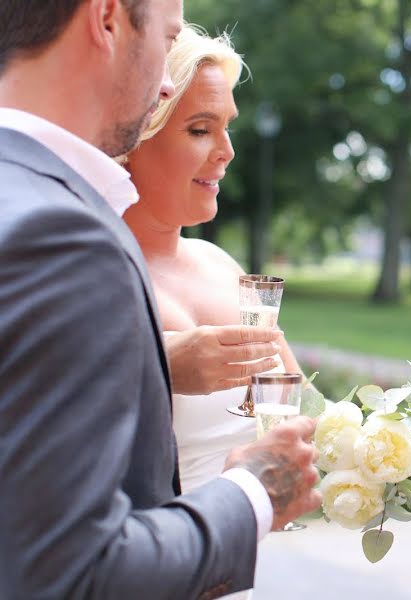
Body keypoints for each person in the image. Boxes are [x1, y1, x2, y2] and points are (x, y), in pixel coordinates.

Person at [0, 1, 320, 597]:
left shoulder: (217, 266)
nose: (163, 84)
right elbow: (67, 568)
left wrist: (398, 444)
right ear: (107, 19)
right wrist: (250, 493)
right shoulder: (64, 240)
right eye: (199, 128)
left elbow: (295, 410)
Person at [123, 25, 305, 493]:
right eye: (201, 129)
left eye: (227, 127)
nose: (227, 152)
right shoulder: (95, 268)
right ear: (135, 134)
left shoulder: (221, 265)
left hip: (239, 553)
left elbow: (308, 415)